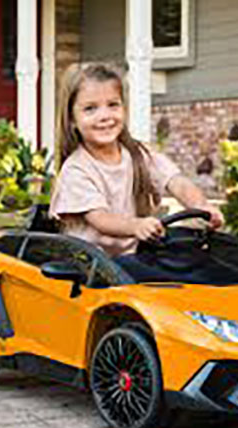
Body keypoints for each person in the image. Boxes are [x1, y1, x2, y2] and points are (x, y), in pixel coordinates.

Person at [49, 62, 224, 274]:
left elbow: (177, 182)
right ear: (72, 120)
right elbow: (101, 219)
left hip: (132, 259)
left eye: (113, 105)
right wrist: (136, 226)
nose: (105, 116)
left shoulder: (138, 154)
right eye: (90, 108)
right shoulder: (76, 170)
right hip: (89, 267)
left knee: (194, 261)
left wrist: (201, 205)